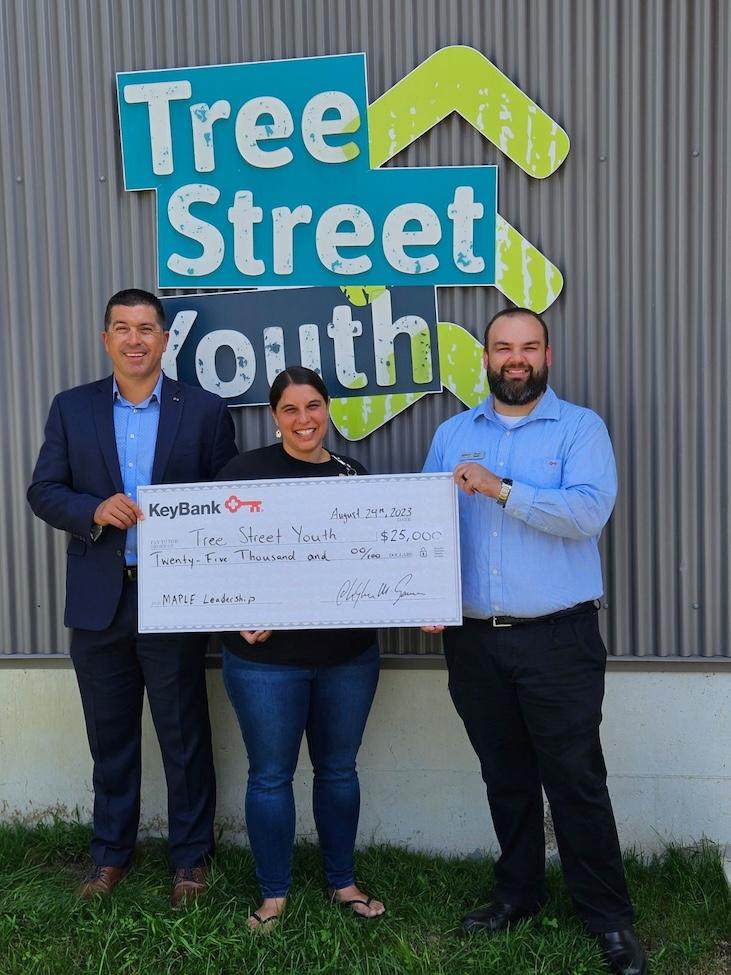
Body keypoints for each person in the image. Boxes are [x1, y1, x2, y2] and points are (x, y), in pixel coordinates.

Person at [422, 308, 647, 975]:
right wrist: (427, 593)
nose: (513, 358)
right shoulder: (451, 432)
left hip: (558, 638)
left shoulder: (579, 428)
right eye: (501, 347)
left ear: (545, 354)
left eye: (526, 347)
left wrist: (501, 488)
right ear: (485, 357)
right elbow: (429, 525)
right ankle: (517, 894)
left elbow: (584, 512)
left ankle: (607, 918)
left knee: (575, 779)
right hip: (472, 641)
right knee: (505, 777)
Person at [27, 288, 237, 906]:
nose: (135, 339)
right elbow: (44, 490)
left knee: (184, 734)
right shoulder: (73, 408)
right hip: (101, 602)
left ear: (165, 339)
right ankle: (110, 856)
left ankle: (191, 861)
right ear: (106, 338)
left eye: (147, 328)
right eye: (122, 328)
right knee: (110, 736)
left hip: (174, 599)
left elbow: (227, 502)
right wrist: (93, 508)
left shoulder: (202, 410)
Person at [216, 366, 385, 929]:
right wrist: (234, 612)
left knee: (338, 771)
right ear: (274, 416)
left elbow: (375, 557)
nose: (304, 419)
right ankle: (274, 895)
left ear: (328, 408)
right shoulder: (244, 473)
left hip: (348, 658)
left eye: (313, 406)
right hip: (266, 663)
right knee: (270, 775)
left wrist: (422, 600)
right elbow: (212, 556)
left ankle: (343, 881)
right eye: (290, 409)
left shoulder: (353, 474)